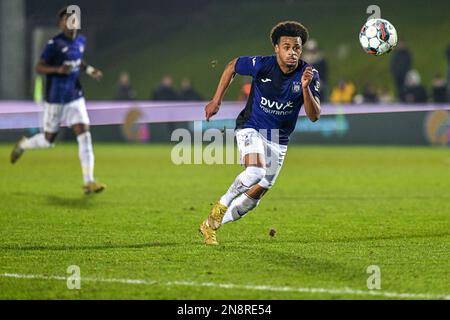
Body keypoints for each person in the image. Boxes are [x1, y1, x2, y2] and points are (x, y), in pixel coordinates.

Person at [199, 21, 321, 245]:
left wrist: (305, 88)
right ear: (276, 48)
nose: (292, 52)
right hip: (251, 126)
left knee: (254, 199)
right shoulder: (262, 65)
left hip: (279, 140)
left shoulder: (308, 75)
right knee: (255, 171)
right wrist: (216, 101)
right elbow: (232, 66)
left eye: (297, 48)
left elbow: (314, 116)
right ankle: (220, 206)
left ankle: (210, 225)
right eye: (287, 47)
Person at [10, 7, 106, 194]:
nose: (71, 22)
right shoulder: (54, 44)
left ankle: (89, 181)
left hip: (75, 97)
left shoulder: (81, 40)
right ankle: (24, 144)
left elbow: (79, 61)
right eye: (66, 20)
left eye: (74, 19)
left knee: (84, 135)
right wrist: (57, 70)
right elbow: (39, 67)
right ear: (61, 24)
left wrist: (89, 70)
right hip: (55, 98)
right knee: (49, 140)